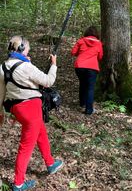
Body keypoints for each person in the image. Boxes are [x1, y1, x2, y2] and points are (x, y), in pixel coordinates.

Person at [0, 36, 63, 191]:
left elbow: (1, 93)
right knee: (26, 147)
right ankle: (18, 183)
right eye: (27, 49)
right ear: (22, 49)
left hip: (16, 108)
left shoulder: (2, 67)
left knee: (41, 132)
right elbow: (48, 81)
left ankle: (50, 163)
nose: (28, 51)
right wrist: (54, 64)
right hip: (31, 109)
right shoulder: (26, 67)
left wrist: (0, 112)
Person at [71, 26, 103, 115]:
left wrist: (81, 53)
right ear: (96, 34)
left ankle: (82, 103)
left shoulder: (81, 41)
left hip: (79, 66)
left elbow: (73, 52)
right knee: (90, 88)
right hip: (92, 68)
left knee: (82, 84)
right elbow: (100, 57)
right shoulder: (99, 43)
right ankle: (89, 110)